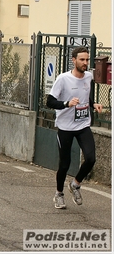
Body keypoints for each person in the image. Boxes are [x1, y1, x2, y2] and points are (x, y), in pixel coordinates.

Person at [46, 46, 103, 209]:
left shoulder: (88, 77)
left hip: (83, 124)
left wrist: (93, 104)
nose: (85, 63)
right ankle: (59, 194)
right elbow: (49, 101)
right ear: (74, 60)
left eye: (87, 60)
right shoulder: (63, 79)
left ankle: (75, 184)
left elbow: (86, 95)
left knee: (91, 158)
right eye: (82, 60)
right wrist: (66, 103)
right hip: (65, 127)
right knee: (65, 164)